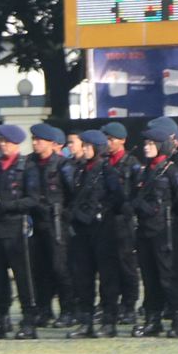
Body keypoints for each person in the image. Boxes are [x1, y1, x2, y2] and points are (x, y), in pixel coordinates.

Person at [0, 123, 42, 339]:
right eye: (1, 141)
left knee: (24, 278)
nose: (2, 145)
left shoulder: (27, 168)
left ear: (15, 144)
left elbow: (33, 199)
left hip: (16, 228)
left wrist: (7, 206)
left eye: (6, 142)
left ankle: (29, 320)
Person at [131, 121, 178, 338]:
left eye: (151, 143)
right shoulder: (145, 171)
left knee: (168, 277)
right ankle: (152, 319)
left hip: (164, 231)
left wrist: (163, 212)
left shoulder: (171, 170)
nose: (146, 147)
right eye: (146, 143)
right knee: (149, 277)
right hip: (145, 231)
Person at [66, 129, 122, 339]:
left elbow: (118, 198)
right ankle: (86, 321)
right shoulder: (80, 170)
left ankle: (109, 321)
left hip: (103, 229)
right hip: (82, 230)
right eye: (84, 145)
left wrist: (101, 210)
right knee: (83, 277)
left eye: (88, 146)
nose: (85, 149)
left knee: (108, 278)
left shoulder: (107, 171)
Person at [26, 123, 73, 328]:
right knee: (39, 270)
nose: (35, 143)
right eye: (34, 139)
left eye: (39, 140)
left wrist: (65, 215)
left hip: (57, 223)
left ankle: (68, 310)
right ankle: (44, 310)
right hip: (36, 223)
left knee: (60, 268)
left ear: (51, 143)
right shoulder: (29, 163)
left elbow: (72, 194)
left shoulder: (62, 165)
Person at [100, 122, 141, 326]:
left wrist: (129, 207)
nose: (108, 143)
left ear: (122, 140)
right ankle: (109, 306)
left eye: (111, 139)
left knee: (127, 266)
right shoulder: (103, 163)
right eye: (106, 139)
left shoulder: (132, 163)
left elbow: (138, 191)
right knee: (108, 268)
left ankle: (129, 306)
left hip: (124, 221)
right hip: (106, 221)